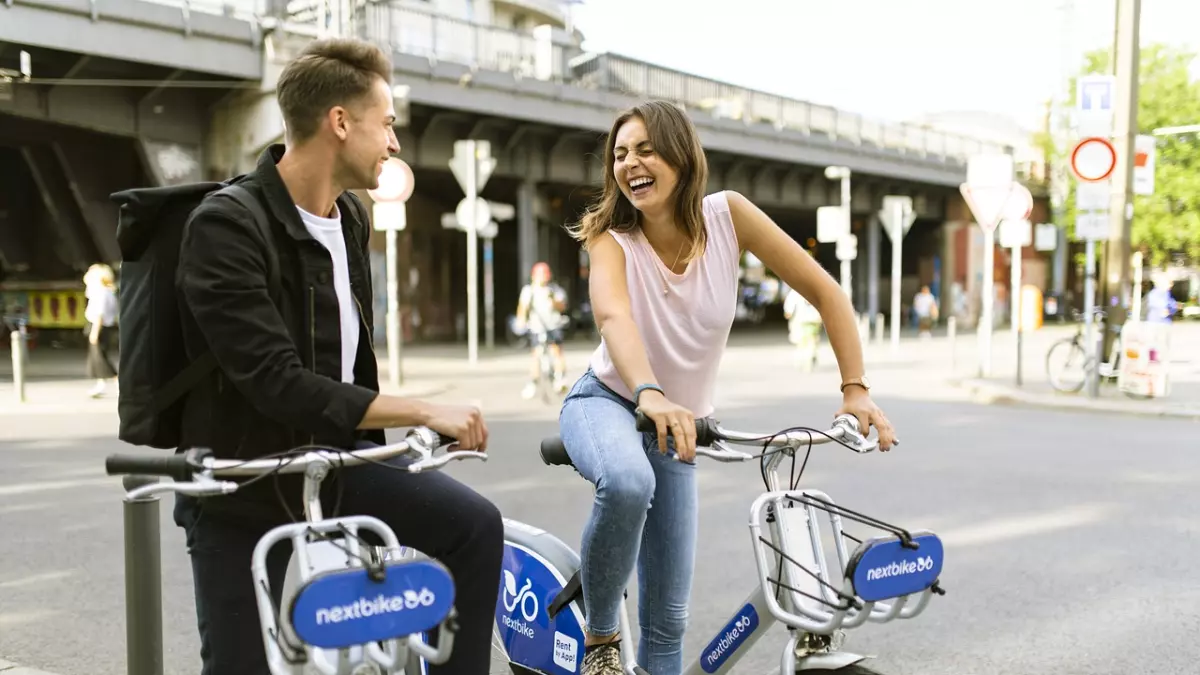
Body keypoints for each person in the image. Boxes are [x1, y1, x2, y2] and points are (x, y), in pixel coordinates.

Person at [172, 38, 502, 675]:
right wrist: (424, 410)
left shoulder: (350, 216)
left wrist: (402, 442)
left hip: (337, 466)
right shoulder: (226, 226)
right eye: (388, 125)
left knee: (474, 527)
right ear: (340, 122)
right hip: (244, 482)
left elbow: (348, 366)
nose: (396, 144)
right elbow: (277, 382)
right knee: (241, 664)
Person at [558, 100, 898, 675]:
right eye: (619, 154)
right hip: (610, 401)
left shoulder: (728, 216)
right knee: (626, 480)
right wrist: (649, 393)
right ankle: (601, 638)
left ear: (680, 155)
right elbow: (615, 319)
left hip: (679, 425)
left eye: (644, 149)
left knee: (669, 622)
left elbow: (826, 292)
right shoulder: (609, 240)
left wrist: (855, 389)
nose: (629, 164)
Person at [514, 261, 569, 397]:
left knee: (557, 352)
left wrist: (553, 300)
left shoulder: (554, 290)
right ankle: (533, 382)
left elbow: (562, 307)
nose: (542, 277)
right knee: (536, 355)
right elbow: (523, 308)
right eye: (539, 274)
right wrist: (521, 321)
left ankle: (560, 378)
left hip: (553, 325)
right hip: (536, 327)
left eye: (544, 274)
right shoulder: (529, 291)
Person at [83, 263, 119, 397]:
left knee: (101, 357)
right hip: (104, 326)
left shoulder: (101, 293)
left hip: (99, 327)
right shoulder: (107, 291)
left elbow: (100, 314)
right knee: (97, 358)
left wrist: (95, 332)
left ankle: (117, 381)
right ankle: (100, 384)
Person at [783, 283, 822, 370]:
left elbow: (789, 307)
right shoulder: (815, 291)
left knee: (802, 341)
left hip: (801, 320)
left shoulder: (795, 292)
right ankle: (812, 354)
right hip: (814, 320)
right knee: (812, 339)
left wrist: (788, 314)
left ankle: (805, 356)